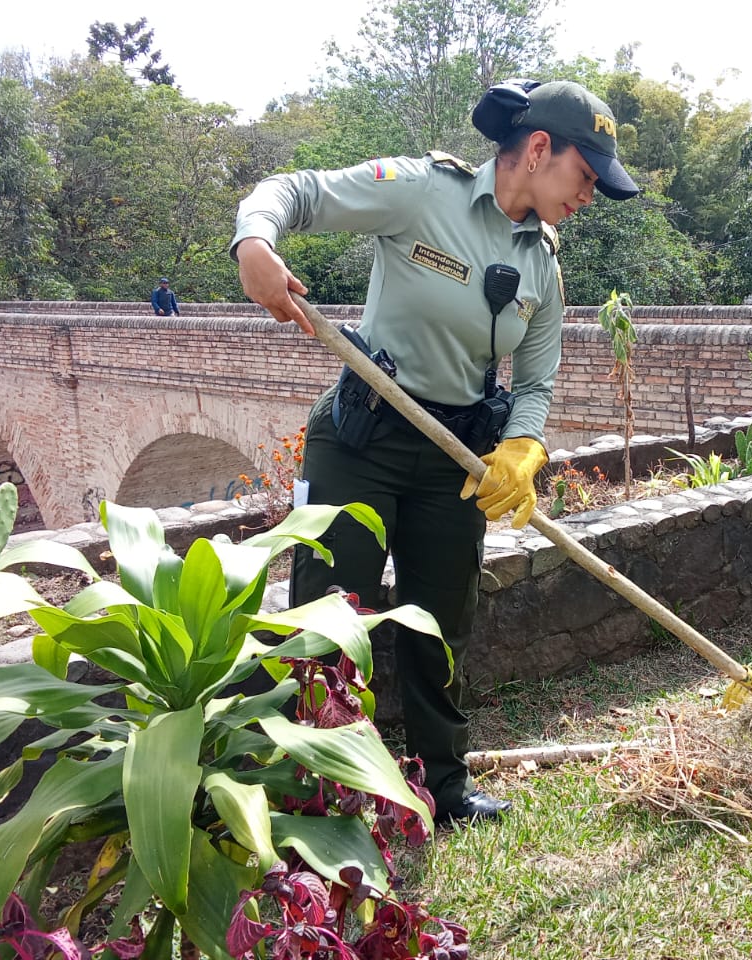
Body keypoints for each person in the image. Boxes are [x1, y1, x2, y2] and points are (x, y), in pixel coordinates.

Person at [230, 79, 638, 826]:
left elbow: (539, 376)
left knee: (443, 619)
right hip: (364, 436)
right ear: (539, 150)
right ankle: (322, 796)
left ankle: (439, 787)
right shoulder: (422, 191)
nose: (587, 197)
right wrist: (254, 240)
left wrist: (524, 443)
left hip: (456, 456)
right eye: (585, 177)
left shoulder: (543, 260)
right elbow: (292, 191)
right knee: (331, 616)